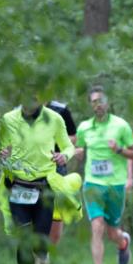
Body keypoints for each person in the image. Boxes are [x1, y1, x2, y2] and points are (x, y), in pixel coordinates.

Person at [0, 89, 76, 264]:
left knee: (41, 242)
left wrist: (65, 156)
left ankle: (41, 261)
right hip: (19, 185)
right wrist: (1, 155)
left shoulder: (55, 118)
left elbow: (69, 145)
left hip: (45, 186)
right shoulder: (9, 119)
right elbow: (2, 148)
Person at [74, 86, 133, 264]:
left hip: (115, 185)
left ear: (107, 102)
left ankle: (123, 242)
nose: (98, 104)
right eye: (94, 101)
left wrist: (119, 150)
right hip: (92, 184)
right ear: (90, 104)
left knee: (112, 233)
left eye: (101, 100)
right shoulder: (84, 127)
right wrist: (78, 153)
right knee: (96, 226)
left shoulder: (121, 126)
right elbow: (80, 148)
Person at [46, 100, 78, 246]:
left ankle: (48, 251)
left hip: (56, 166)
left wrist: (55, 142)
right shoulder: (20, 111)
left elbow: (73, 137)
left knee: (55, 215)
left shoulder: (61, 110)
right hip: (29, 168)